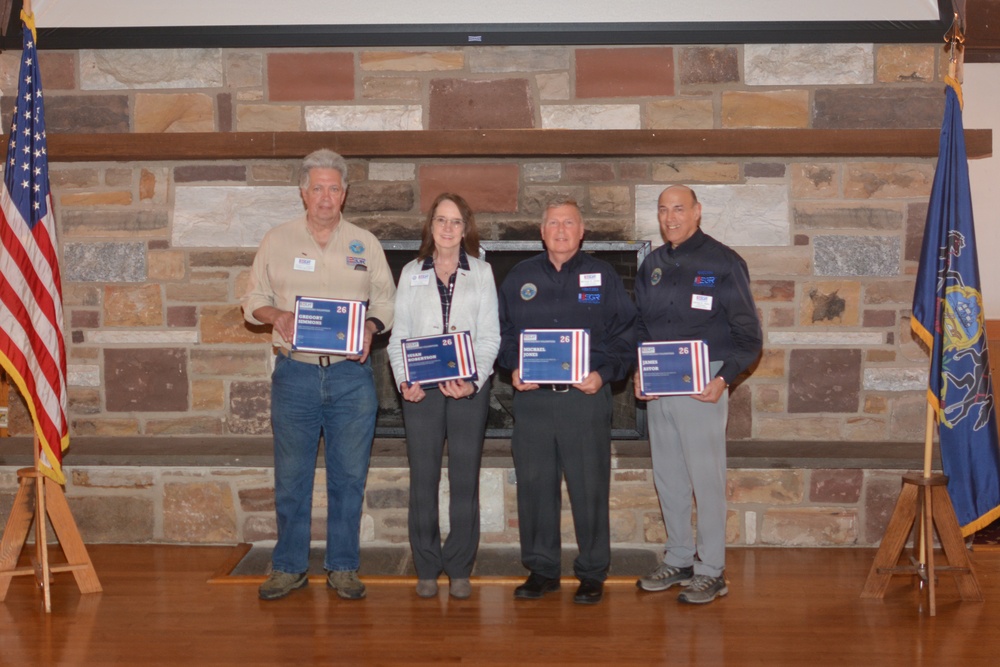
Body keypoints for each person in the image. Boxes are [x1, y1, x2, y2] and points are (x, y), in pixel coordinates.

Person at [242, 149, 396, 601]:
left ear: (344, 193)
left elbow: (386, 302)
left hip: (351, 378)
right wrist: (278, 316)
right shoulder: (277, 239)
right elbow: (252, 300)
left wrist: (371, 326)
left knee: (349, 477)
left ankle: (343, 567)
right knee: (292, 477)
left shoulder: (365, 243)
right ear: (303, 192)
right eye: (317, 188)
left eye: (334, 188)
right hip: (296, 376)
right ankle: (289, 566)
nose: (326, 197)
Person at [497, 196, 637, 605]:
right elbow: (501, 333)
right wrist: (513, 366)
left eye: (569, 223)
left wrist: (603, 374)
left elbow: (625, 335)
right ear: (542, 232)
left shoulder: (602, 275)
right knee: (536, 486)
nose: (561, 230)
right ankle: (542, 570)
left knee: (589, 486)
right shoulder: (519, 276)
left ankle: (592, 572)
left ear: (582, 231)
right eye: (553, 223)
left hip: (584, 399)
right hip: (534, 402)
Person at [634, 185, 762, 604]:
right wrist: (638, 368)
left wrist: (723, 379)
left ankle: (711, 570)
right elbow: (640, 326)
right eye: (663, 210)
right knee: (668, 477)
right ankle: (679, 558)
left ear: (697, 212)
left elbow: (749, 336)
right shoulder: (650, 264)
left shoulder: (724, 262)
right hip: (658, 383)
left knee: (705, 480)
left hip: (704, 383)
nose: (671, 217)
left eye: (679, 209)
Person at [387, 193, 500, 600]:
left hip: (467, 390)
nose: (448, 228)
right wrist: (404, 380)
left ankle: (459, 565)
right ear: (430, 226)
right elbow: (399, 335)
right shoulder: (411, 271)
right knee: (424, 479)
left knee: (464, 479)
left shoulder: (483, 273)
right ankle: (427, 564)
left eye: (456, 221)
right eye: (441, 220)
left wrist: (475, 381)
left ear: (465, 227)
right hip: (421, 391)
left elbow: (490, 336)